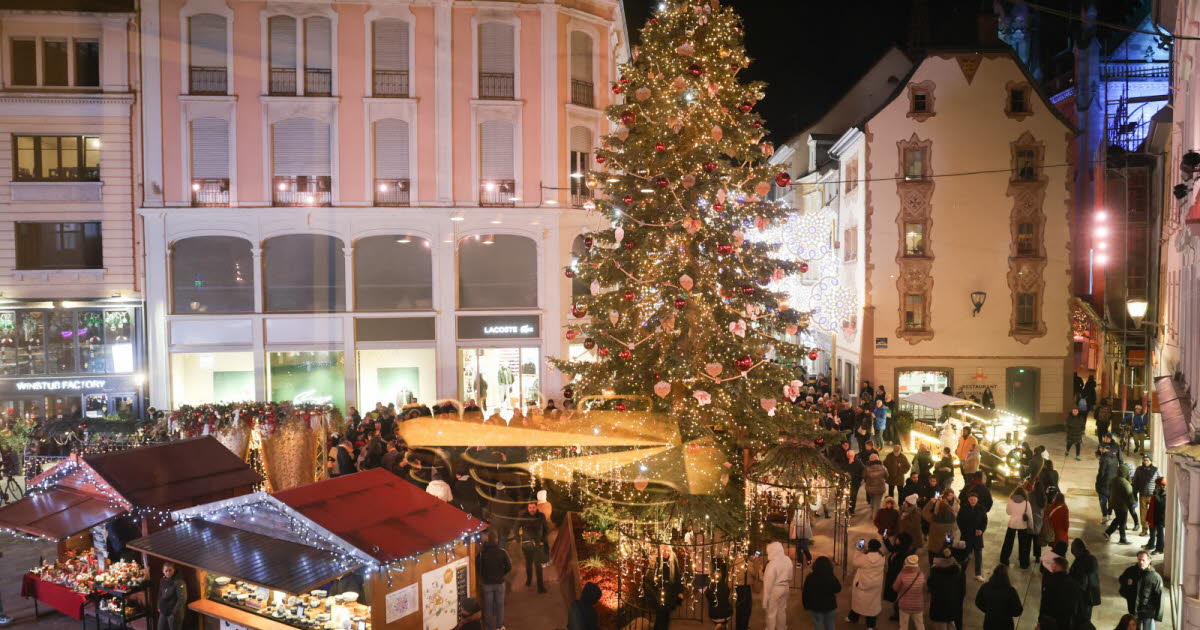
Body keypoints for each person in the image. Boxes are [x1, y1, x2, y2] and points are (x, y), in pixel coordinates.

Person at [1119, 551, 1164, 630]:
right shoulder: (1131, 571)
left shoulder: (1155, 577)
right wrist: (1127, 582)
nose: (1140, 562)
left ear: (1149, 560)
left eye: (1143, 560)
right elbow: (1121, 579)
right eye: (1139, 559)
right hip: (1134, 610)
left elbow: (1160, 596)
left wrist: (1158, 615)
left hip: (1148, 612)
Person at [847, 539, 886, 627]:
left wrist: (858, 550)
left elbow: (855, 562)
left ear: (869, 547)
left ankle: (853, 618)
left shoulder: (864, 558)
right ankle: (870, 625)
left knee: (858, 602)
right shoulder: (882, 557)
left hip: (862, 583)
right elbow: (871, 558)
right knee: (872, 605)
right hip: (876, 585)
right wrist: (865, 551)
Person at [477, 531, 511, 630]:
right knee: (500, 606)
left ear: (487, 539)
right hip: (500, 583)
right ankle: (499, 627)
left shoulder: (481, 554)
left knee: (488, 607)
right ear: (496, 540)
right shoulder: (502, 552)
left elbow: (478, 568)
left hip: (487, 584)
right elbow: (509, 566)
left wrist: (484, 576)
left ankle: (489, 627)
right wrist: (502, 574)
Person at [975, 565, 1023, 630]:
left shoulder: (985, 587)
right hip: (1006, 625)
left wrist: (988, 610)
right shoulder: (1010, 591)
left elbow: (978, 602)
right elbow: (1018, 611)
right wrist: (1008, 614)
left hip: (989, 623)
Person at [928, 548, 966, 630]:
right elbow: (962, 592)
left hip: (939, 609)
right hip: (952, 608)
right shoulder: (958, 573)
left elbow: (930, 586)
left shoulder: (935, 572)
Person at [1039, 557, 1081, 630]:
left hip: (1051, 621)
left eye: (1052, 564)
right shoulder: (1075, 584)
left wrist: (1040, 619)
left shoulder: (1050, 583)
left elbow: (1045, 602)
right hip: (1066, 620)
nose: (1051, 566)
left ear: (1055, 566)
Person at [1068, 538, 1101, 629]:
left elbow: (1084, 580)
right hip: (1086, 596)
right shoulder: (1088, 558)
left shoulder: (1083, 560)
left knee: (1082, 619)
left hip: (1085, 597)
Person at [647, 546, 682, 630]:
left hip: (670, 591)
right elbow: (650, 577)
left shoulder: (673, 561)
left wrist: (680, 591)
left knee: (666, 613)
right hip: (658, 591)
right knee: (660, 612)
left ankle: (661, 627)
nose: (665, 553)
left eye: (667, 551)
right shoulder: (656, 561)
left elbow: (677, 576)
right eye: (663, 551)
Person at [802, 555, 841, 630]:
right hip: (830, 606)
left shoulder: (810, 577)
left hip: (815, 607)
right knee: (830, 625)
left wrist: (806, 605)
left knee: (818, 625)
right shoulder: (831, 577)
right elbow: (838, 589)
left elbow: (805, 592)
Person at [1000, 486, 1035, 568]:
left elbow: (1008, 512)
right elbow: (1030, 516)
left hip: (1012, 524)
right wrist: (1031, 526)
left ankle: (1004, 560)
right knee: (1023, 545)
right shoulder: (1026, 503)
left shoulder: (1010, 500)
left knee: (1008, 543)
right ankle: (1024, 564)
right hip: (1022, 525)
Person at [883, 533, 915, 621]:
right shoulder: (899, 550)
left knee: (899, 598)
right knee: (896, 598)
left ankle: (899, 616)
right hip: (893, 577)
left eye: (898, 539)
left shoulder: (904, 555)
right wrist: (886, 539)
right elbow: (891, 548)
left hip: (898, 580)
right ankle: (897, 614)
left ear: (902, 542)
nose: (896, 540)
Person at [957, 490, 988, 580]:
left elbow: (984, 521)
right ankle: (962, 572)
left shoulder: (981, 508)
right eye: (971, 499)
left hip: (977, 535)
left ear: (977, 500)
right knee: (965, 554)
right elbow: (959, 520)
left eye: (974, 499)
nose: (973, 501)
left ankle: (978, 573)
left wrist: (981, 530)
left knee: (978, 554)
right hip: (967, 535)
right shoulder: (964, 508)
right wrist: (964, 531)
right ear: (968, 500)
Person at [761, 541, 791, 630]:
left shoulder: (772, 564)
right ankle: (781, 627)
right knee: (781, 610)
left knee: (771, 612)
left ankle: (770, 628)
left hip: (775, 589)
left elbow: (768, 583)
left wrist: (765, 599)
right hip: (786, 587)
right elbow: (790, 576)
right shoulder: (788, 560)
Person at [1106, 463, 1137, 545]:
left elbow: (1109, 490)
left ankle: (1108, 532)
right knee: (1122, 522)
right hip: (1122, 506)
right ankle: (1122, 539)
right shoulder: (1126, 484)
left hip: (1114, 504)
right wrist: (1133, 504)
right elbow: (1130, 496)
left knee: (1118, 519)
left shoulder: (1113, 480)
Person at [893, 555, 926, 630]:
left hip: (904, 605)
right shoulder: (921, 575)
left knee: (903, 626)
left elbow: (895, 588)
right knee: (920, 625)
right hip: (918, 605)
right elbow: (924, 589)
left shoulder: (902, 575)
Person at [923, 490, 959, 560]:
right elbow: (951, 534)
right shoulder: (953, 519)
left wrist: (931, 502)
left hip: (933, 546)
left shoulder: (934, 518)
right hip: (944, 547)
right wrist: (948, 542)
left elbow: (925, 512)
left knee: (932, 563)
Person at [1132, 456, 1161, 537]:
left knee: (1153, 514)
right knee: (1143, 514)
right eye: (1144, 460)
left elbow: (1161, 480)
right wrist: (1134, 492)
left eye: (1147, 460)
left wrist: (1158, 492)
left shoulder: (1156, 469)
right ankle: (1144, 529)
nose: (1145, 462)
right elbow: (1135, 481)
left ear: (1151, 461)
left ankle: (1153, 531)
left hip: (1153, 496)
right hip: (1143, 495)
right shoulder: (1139, 469)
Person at [1097, 439, 1123, 521]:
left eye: (1101, 448)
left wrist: (1098, 482)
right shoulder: (1114, 458)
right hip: (1113, 483)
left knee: (1103, 501)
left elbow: (1101, 473)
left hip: (1104, 483)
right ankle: (1109, 514)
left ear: (1105, 449)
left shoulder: (1104, 459)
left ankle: (1104, 516)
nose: (1100, 450)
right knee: (1110, 500)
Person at [158, 562, 186, 630]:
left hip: (174, 613)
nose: (168, 573)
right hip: (164, 611)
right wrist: (158, 606)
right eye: (166, 571)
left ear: (174, 570)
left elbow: (182, 599)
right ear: (163, 571)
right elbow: (160, 594)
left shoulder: (179, 582)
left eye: (170, 570)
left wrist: (173, 613)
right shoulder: (163, 580)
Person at [705, 558, 732, 629]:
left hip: (714, 615)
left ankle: (719, 625)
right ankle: (722, 624)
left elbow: (708, 596)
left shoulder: (710, 582)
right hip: (727, 614)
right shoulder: (727, 581)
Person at [789, 499, 814, 566]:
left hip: (805, 530)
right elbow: (794, 519)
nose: (801, 499)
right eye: (800, 498)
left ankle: (809, 558)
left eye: (802, 498)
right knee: (798, 547)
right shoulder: (796, 509)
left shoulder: (806, 507)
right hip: (798, 530)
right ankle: (799, 561)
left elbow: (814, 509)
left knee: (804, 546)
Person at [1146, 477, 1166, 554]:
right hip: (1155, 515)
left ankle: (1160, 549)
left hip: (1160, 517)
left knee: (1160, 534)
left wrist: (1156, 495)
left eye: (1157, 485)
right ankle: (1151, 544)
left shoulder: (1165, 494)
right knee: (1153, 531)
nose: (1155, 486)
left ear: (1161, 485)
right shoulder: (1159, 491)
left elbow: (1161, 505)